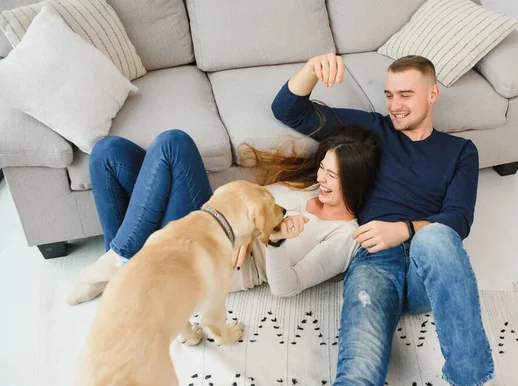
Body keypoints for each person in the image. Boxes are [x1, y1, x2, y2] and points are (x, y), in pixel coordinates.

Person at [271, 53, 493, 386]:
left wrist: (404, 229)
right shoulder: (375, 130)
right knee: (358, 374)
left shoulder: (461, 151)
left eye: (405, 94)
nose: (395, 105)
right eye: (389, 95)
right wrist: (313, 68)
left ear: (432, 94)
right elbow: (289, 110)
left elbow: (458, 220)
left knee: (435, 238)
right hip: (373, 261)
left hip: (426, 265)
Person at [67, 126, 379, 305]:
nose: (321, 179)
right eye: (322, 168)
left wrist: (274, 239)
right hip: (207, 220)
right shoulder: (310, 187)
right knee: (108, 151)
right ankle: (121, 266)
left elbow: (286, 287)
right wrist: (246, 228)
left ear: (355, 181)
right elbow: (245, 196)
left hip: (205, 262)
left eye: (332, 176)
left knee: (174, 144)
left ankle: (111, 267)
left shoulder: (344, 237)